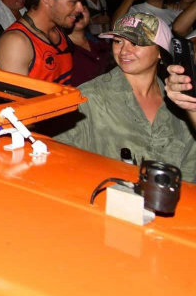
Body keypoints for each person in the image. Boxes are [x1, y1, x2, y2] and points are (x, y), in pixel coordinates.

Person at [54, 13, 195, 183]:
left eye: (135, 43)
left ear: (161, 51)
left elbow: (190, 168)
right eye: (118, 41)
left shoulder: (180, 101)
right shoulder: (90, 97)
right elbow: (57, 154)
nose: (124, 51)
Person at [0, 0, 100, 84]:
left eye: (81, 2)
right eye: (74, 1)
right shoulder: (17, 43)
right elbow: (17, 95)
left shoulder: (59, 31)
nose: (81, 8)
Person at [66, 4, 113, 86]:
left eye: (83, 8)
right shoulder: (59, 50)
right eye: (72, 7)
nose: (78, 12)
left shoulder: (102, 44)